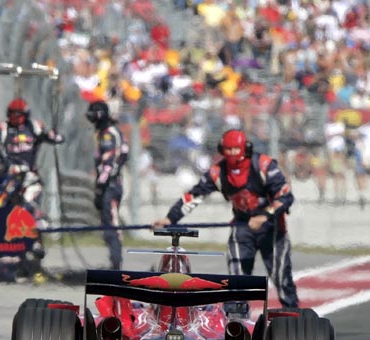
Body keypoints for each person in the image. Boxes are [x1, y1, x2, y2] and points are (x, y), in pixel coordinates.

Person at [153, 129, 299, 308]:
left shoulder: (264, 165)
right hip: (242, 225)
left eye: (235, 149)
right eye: (228, 150)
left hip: (272, 227)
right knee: (237, 277)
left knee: (281, 277)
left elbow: (285, 195)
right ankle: (237, 317)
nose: (231, 154)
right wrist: (170, 218)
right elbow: (194, 195)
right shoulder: (217, 172)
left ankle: (292, 312)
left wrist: (265, 214)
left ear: (245, 148)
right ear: (222, 149)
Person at [0, 97, 64, 215]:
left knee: (30, 198)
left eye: (19, 114)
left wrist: (54, 135)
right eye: (13, 114)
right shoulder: (4, 128)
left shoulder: (34, 126)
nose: (15, 117)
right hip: (8, 172)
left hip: (29, 174)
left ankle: (34, 219)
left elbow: (55, 137)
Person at [86, 100, 128, 270]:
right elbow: (124, 153)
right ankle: (114, 262)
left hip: (110, 186)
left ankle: (116, 266)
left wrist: (100, 187)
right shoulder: (112, 131)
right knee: (108, 225)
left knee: (111, 226)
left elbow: (109, 164)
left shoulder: (108, 134)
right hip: (112, 185)